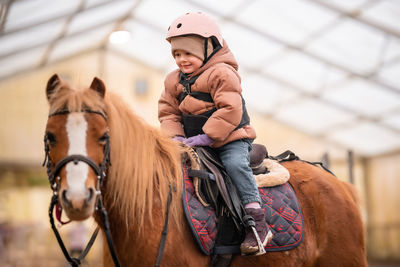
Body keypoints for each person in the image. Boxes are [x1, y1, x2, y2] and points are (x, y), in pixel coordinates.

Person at [158, 12, 272, 255]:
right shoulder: (172, 80)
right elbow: (168, 113)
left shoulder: (221, 73)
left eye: (188, 53)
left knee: (233, 165)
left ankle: (257, 222)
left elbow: (230, 108)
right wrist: (175, 137)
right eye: (177, 54)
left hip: (230, 138)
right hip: (191, 142)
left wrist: (208, 136)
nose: (182, 59)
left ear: (209, 48)